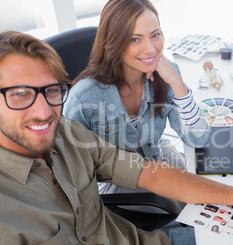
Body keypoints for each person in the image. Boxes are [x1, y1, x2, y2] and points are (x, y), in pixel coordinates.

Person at [0, 31, 233, 245]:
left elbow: (151, 174)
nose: (43, 111)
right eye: (20, 94)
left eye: (50, 90)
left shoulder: (67, 133)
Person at [63, 0, 209, 197]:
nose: (150, 49)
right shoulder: (83, 96)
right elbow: (73, 170)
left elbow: (198, 138)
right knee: (192, 204)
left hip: (155, 156)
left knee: (207, 191)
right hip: (114, 182)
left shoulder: (167, 74)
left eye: (155, 35)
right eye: (135, 39)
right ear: (114, 42)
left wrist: (177, 83)